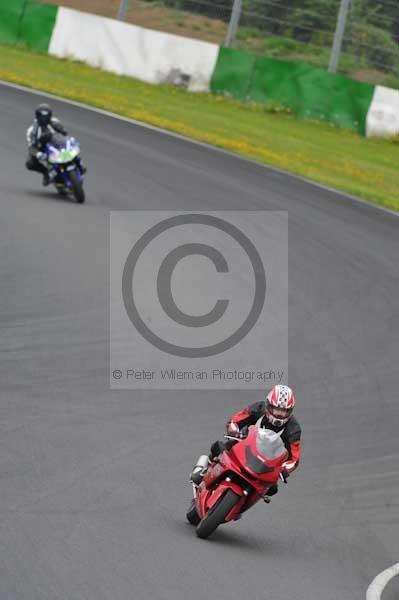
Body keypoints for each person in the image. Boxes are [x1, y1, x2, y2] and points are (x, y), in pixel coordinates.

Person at [191, 384, 301, 500]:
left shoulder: (294, 429)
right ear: (269, 406)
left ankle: (241, 503)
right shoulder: (258, 408)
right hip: (245, 443)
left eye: (284, 411)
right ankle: (204, 471)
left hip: (268, 461)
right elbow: (235, 420)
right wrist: (234, 431)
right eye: (277, 409)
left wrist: (283, 469)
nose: (280, 414)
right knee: (219, 447)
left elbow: (294, 459)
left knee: (272, 489)